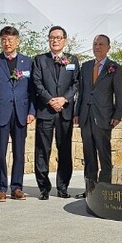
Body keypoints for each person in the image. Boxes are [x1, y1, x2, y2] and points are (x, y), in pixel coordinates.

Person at [0, 26, 36, 202]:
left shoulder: (28, 62)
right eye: (3, 40)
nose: (7, 43)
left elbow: (33, 90)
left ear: (17, 41)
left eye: (10, 39)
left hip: (21, 113)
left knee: (19, 153)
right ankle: (1, 188)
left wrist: (32, 111)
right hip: (0, 111)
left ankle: (17, 187)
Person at [32, 26, 80, 199]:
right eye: (52, 37)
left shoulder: (72, 60)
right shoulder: (40, 60)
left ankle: (63, 187)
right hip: (46, 110)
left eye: (59, 38)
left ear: (65, 40)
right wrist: (50, 99)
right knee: (42, 151)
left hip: (64, 112)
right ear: (48, 40)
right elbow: (37, 82)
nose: (55, 40)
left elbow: (76, 83)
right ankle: (44, 188)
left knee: (65, 150)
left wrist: (64, 99)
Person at [74, 34, 122, 192]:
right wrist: (77, 113)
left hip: (104, 117)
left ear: (108, 47)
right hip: (86, 116)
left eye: (101, 44)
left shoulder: (114, 67)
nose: (97, 47)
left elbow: (119, 94)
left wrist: (117, 115)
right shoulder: (86, 66)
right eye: (95, 44)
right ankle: (90, 190)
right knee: (88, 154)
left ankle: (104, 190)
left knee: (104, 153)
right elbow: (81, 92)